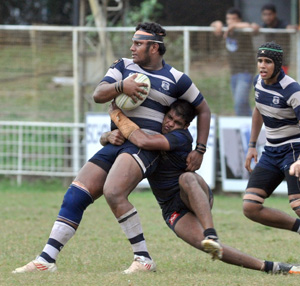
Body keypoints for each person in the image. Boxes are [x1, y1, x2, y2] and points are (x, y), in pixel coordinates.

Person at [12, 22, 211, 274]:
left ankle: (143, 259)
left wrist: (200, 149)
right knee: (76, 193)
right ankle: (46, 260)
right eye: (133, 42)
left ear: (154, 47)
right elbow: (98, 94)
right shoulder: (123, 66)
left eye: (138, 43)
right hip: (118, 141)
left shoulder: (177, 79)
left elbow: (203, 109)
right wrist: (121, 87)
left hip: (144, 147)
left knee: (114, 192)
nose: (132, 47)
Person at [107, 99, 300, 274]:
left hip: (194, 195)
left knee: (186, 178)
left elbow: (143, 140)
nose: (170, 124)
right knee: (206, 247)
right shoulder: (154, 129)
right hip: (171, 209)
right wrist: (108, 136)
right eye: (169, 117)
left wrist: (117, 115)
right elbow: (111, 140)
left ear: (186, 126)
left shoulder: (181, 138)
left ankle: (211, 233)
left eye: (177, 123)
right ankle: (272, 267)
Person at [243, 42, 300, 246]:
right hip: (271, 151)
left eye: (267, 61)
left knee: (297, 204)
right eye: (260, 61)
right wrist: (252, 145)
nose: (262, 66)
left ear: (278, 65)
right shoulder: (258, 82)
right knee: (250, 207)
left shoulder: (293, 90)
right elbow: (258, 109)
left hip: (294, 149)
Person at [210, 7, 259, 116]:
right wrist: (217, 23)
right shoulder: (226, 31)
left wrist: (234, 26)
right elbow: (213, 25)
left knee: (239, 102)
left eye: (234, 19)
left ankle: (243, 125)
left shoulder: (243, 30)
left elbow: (251, 26)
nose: (230, 21)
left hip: (246, 70)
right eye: (228, 19)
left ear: (239, 20)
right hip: (234, 71)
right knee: (242, 103)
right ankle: (250, 125)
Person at [260, 3, 297, 74]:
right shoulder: (263, 26)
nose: (267, 17)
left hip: (282, 63)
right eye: (265, 14)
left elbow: (289, 27)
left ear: (275, 14)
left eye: (269, 14)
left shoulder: (282, 24)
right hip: (268, 62)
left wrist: (292, 28)